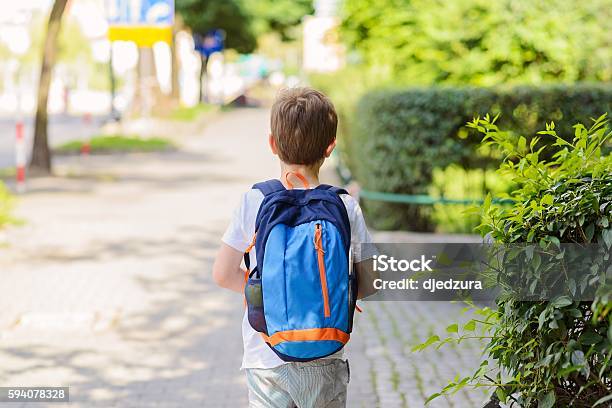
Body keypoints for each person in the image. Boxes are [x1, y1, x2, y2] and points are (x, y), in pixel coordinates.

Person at [213, 87, 377, 408]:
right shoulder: (344, 205)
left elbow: (222, 274)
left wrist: (265, 291)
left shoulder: (256, 200)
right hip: (324, 353)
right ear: (330, 147)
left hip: (265, 356)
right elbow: (370, 284)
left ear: (272, 143)